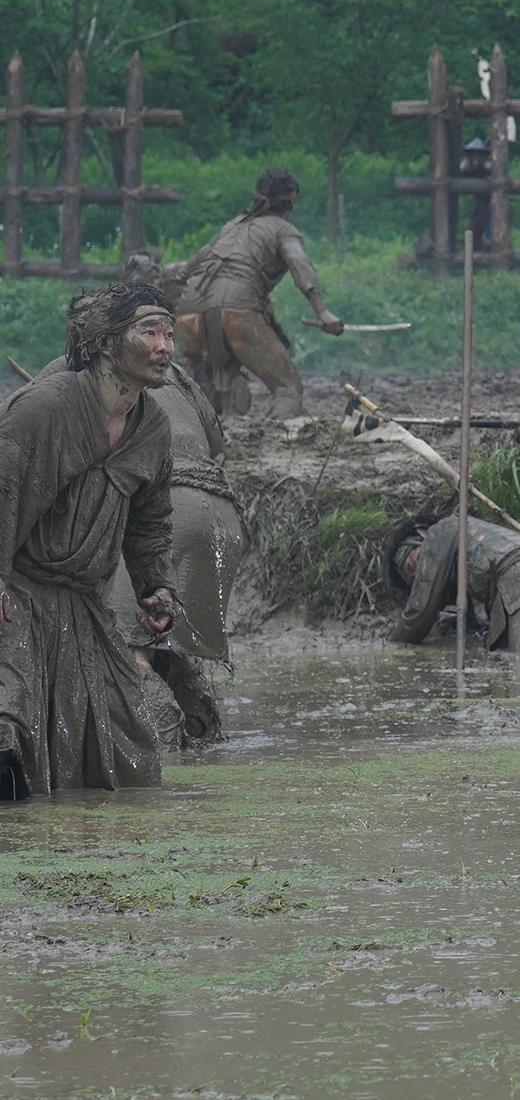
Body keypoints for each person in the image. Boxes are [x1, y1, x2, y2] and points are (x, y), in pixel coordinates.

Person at [0, 285, 181, 797]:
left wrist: (157, 588)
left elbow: (151, 521)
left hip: (83, 608)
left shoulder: (154, 428)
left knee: (130, 753)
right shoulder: (42, 408)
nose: (165, 346)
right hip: (16, 595)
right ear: (105, 341)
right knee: (7, 726)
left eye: (169, 334)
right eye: (149, 332)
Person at [90, 356, 240, 745]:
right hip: (222, 516)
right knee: (179, 646)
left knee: (133, 645)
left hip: (165, 508)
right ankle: (203, 741)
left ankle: (165, 752)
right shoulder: (178, 375)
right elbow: (217, 441)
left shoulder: (87, 370)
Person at [168, 167, 344, 418]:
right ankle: (273, 445)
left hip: (188, 316)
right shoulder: (284, 230)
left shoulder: (231, 227)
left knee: (214, 383)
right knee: (288, 388)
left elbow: (190, 268)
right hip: (237, 312)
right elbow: (300, 264)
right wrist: (322, 311)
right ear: (291, 200)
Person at [383, 516, 520, 654]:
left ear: (420, 538)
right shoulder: (477, 532)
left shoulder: (439, 532)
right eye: (410, 577)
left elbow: (420, 611)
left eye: (413, 562)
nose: (417, 573)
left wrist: (391, 645)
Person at [460, 136, 494, 251]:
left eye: (478, 155)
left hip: (493, 203)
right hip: (480, 204)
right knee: (472, 235)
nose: (475, 158)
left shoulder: (489, 167)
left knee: (493, 234)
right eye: (471, 155)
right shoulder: (464, 167)